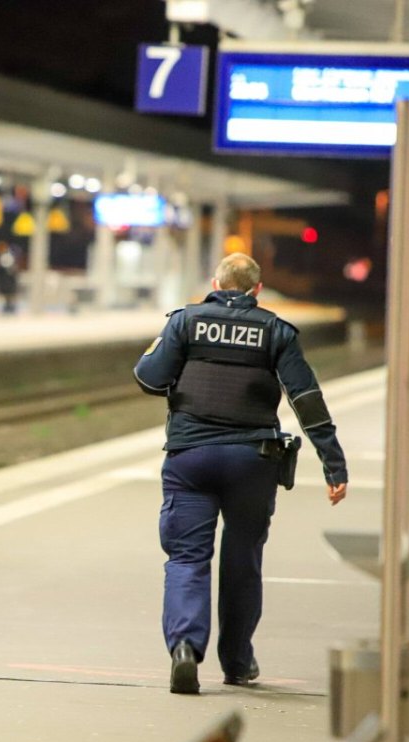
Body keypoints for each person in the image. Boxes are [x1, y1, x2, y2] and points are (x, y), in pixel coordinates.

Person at [133, 252, 348, 695]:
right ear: (256, 290)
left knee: (187, 558)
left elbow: (149, 378)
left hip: (190, 458)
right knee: (242, 561)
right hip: (253, 461)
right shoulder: (275, 330)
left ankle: (185, 650)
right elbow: (305, 399)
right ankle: (236, 662)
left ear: (215, 282)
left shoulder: (185, 322)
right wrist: (333, 463)